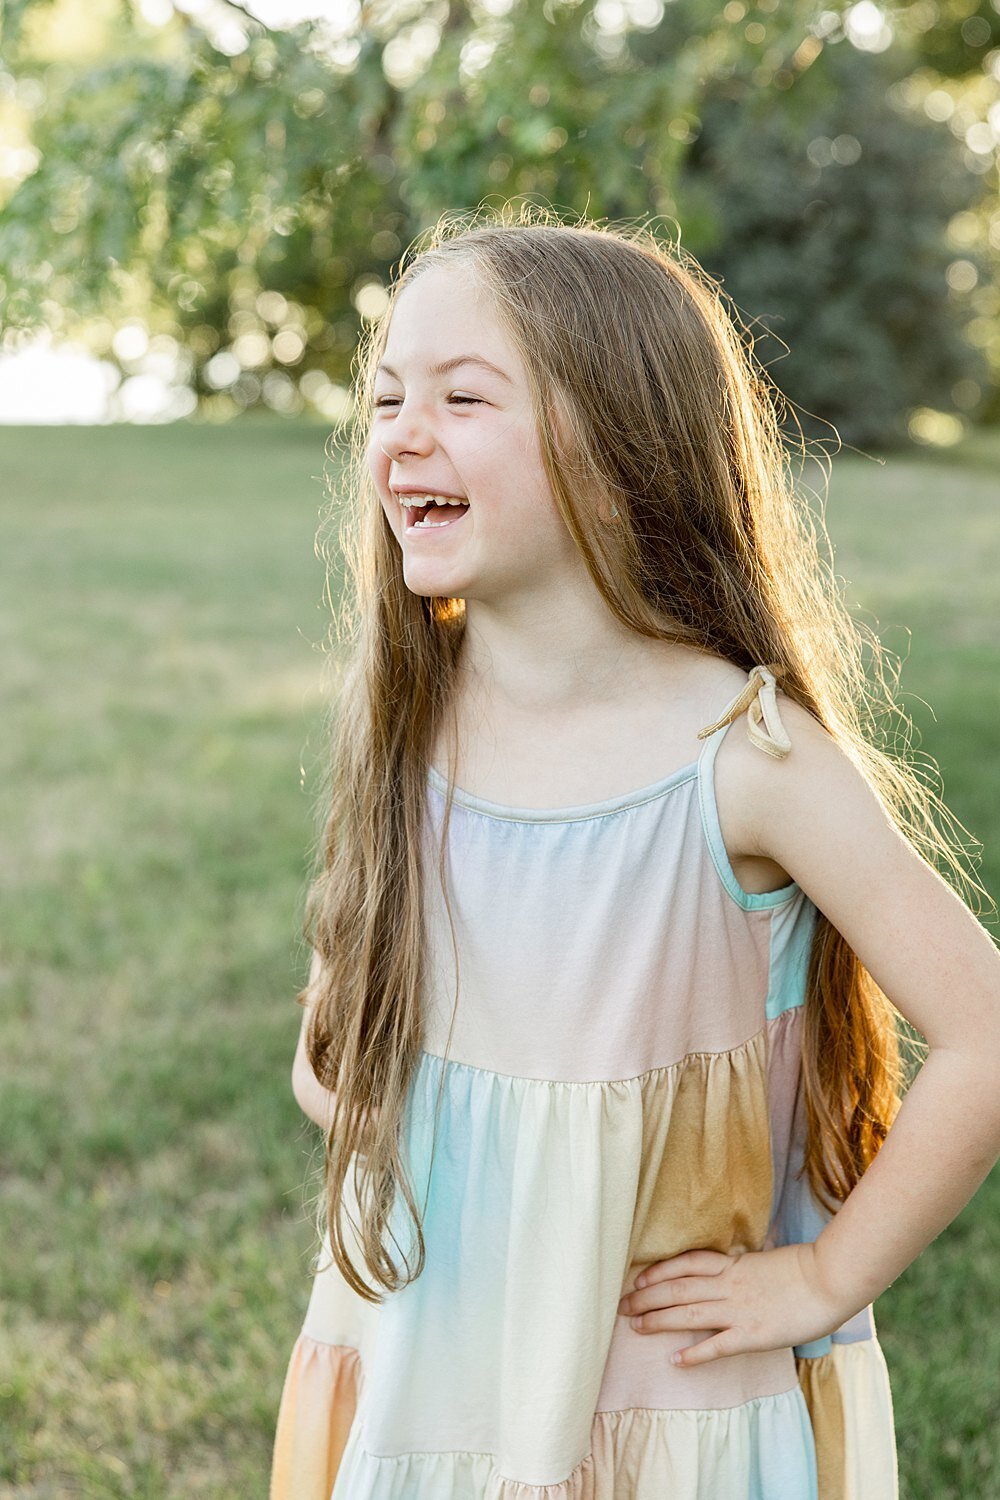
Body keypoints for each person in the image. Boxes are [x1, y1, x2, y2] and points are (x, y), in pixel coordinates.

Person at [268, 206, 1000, 1500]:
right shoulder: (406, 727)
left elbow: (985, 1032)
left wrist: (827, 1278)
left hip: (668, 1388)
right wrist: (378, 1092)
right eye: (385, 397)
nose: (400, 436)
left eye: (463, 395)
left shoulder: (742, 759)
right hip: (437, 1358)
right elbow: (340, 1060)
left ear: (616, 452)